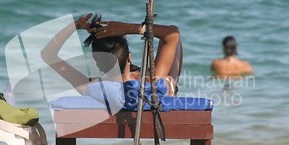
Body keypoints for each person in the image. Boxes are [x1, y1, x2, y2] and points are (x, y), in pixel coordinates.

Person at [40, 13, 183, 101]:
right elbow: (173, 35)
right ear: (128, 57)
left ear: (97, 62)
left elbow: (48, 55)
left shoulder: (90, 87)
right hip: (162, 92)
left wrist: (74, 26)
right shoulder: (152, 82)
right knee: (174, 29)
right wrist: (131, 28)